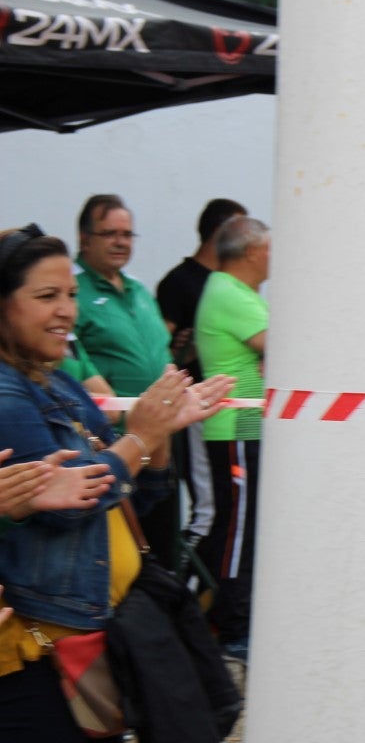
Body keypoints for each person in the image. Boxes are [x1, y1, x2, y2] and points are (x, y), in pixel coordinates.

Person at [0, 224, 233, 743]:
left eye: (70, 294)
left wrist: (154, 440)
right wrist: (136, 442)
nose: (67, 310)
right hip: (35, 653)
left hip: (91, 646)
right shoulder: (5, 394)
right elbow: (69, 505)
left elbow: (122, 478)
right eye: (47, 297)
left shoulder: (56, 378)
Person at [72, 195, 181, 567]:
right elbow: (73, 361)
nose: (121, 242)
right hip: (114, 443)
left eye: (127, 234)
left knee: (165, 546)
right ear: (85, 238)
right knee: (132, 554)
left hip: (161, 438)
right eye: (109, 234)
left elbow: (162, 352)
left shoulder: (138, 289)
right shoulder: (73, 293)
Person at [194, 216, 269, 661]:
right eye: (270, 246)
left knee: (240, 523)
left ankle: (228, 616)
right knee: (238, 526)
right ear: (250, 251)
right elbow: (289, 347)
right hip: (237, 427)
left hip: (245, 425)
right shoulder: (229, 292)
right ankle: (231, 624)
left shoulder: (237, 292)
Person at [155, 199, 246, 562]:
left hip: (229, 412)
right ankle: (185, 582)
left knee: (230, 505)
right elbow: (161, 349)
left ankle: (215, 591)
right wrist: (185, 352)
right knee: (207, 509)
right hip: (196, 411)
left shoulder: (227, 285)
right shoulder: (180, 282)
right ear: (221, 233)